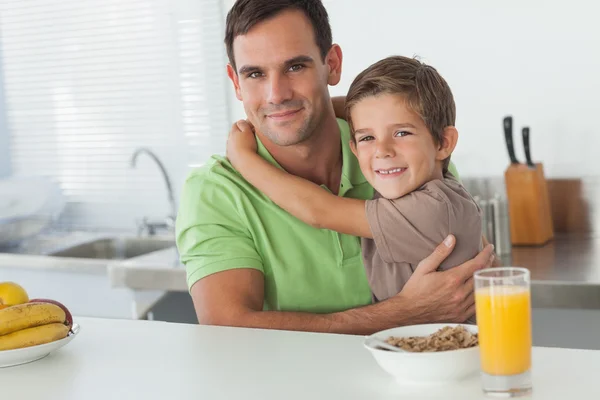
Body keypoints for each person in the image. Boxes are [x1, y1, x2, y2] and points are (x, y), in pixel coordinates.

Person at [175, 0, 495, 335]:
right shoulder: (215, 191)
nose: (276, 94)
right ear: (236, 82)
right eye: (254, 74)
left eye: (295, 67)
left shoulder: (400, 160)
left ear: (332, 65)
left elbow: (475, 276)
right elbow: (227, 330)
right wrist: (403, 313)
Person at [226, 55, 483, 323]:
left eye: (402, 133)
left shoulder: (434, 210)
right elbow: (373, 114)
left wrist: (244, 158)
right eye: (367, 137)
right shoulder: (424, 187)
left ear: (443, 142)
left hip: (448, 360)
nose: (382, 151)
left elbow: (318, 210)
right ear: (355, 149)